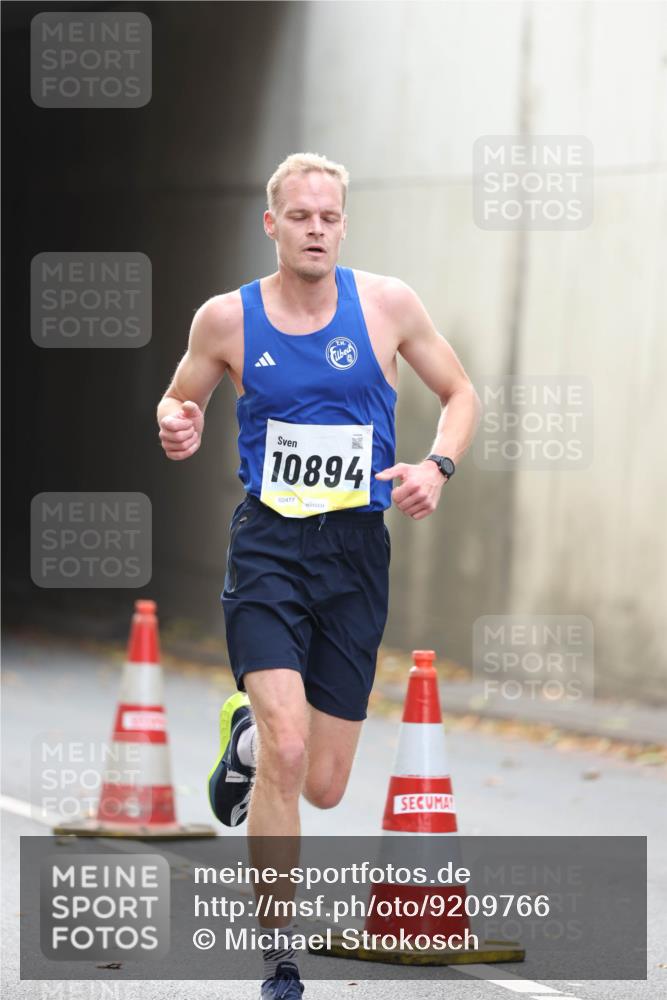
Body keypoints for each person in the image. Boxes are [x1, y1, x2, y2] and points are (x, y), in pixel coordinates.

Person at [157, 152, 481, 998]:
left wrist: (435, 467)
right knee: (291, 751)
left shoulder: (387, 305)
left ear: (343, 222)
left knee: (327, 786)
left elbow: (460, 395)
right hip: (267, 545)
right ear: (271, 225)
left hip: (353, 554)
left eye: (328, 217)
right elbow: (179, 397)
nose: (315, 230)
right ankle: (279, 958)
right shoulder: (225, 320)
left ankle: (248, 735)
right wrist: (176, 423)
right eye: (298, 216)